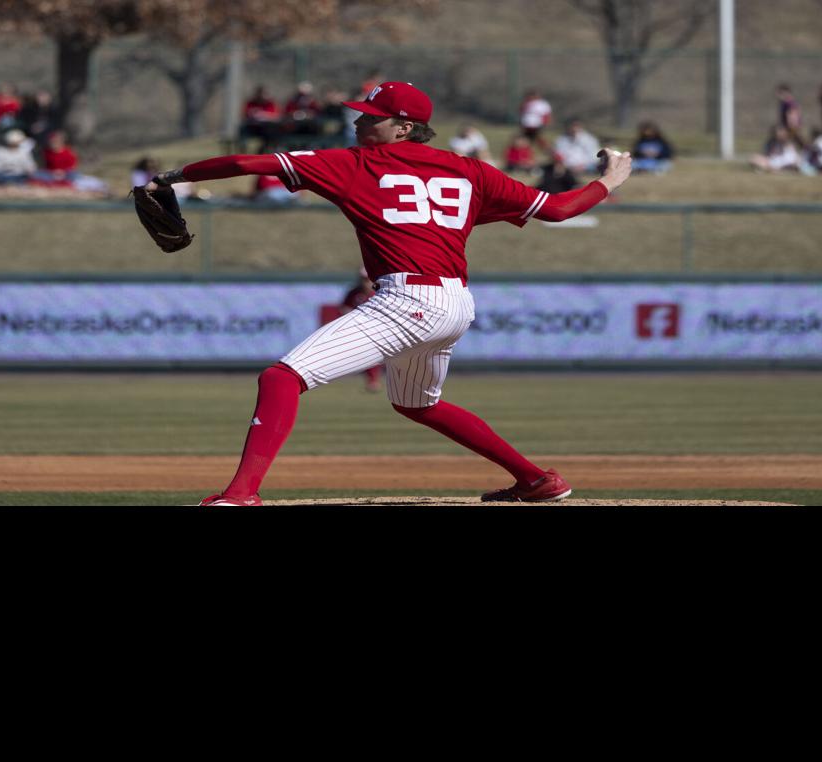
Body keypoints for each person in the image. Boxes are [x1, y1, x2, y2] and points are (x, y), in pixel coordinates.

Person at [145, 81, 635, 506]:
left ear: (403, 127)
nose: (360, 121)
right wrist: (609, 181)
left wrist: (175, 176)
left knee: (280, 379)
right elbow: (558, 210)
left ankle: (239, 494)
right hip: (455, 304)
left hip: (408, 301)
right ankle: (536, 480)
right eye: (362, 113)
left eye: (373, 117)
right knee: (418, 404)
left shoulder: (355, 164)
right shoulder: (469, 171)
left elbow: (248, 161)